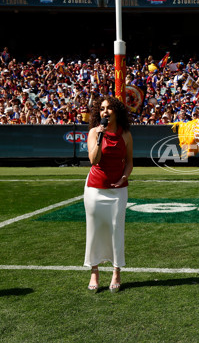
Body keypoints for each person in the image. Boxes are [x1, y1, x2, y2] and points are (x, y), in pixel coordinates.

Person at [84, 96, 133, 293]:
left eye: (110, 108)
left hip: (118, 190)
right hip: (94, 189)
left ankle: (116, 271)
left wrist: (124, 177)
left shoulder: (126, 134)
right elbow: (93, 160)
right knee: (94, 229)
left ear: (116, 111)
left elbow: (129, 162)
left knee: (116, 229)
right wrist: (100, 136)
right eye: (102, 108)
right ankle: (94, 271)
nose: (105, 111)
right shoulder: (94, 132)